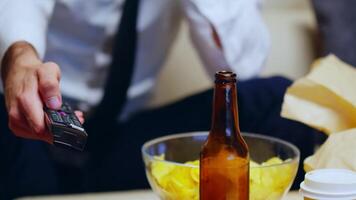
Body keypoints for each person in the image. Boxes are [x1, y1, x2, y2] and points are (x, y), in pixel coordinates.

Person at [0, 0, 318, 199]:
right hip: (32, 132)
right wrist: (20, 56)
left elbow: (241, 71)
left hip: (122, 143)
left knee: (278, 100)